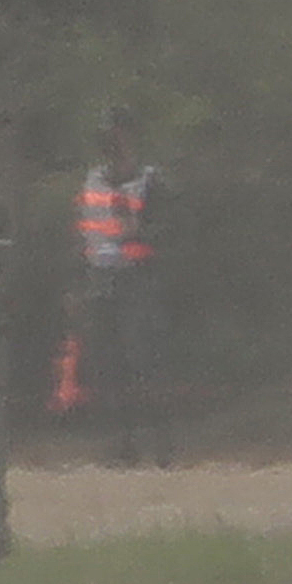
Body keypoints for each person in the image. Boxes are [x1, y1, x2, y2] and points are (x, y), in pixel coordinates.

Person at [72, 113, 168, 465]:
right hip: (100, 280)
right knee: (106, 365)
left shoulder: (149, 181)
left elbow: (167, 234)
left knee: (143, 362)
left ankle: (160, 447)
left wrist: (138, 229)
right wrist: (78, 286)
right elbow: (81, 234)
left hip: (137, 280)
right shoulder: (92, 181)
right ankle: (121, 447)